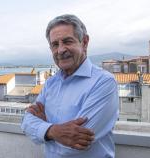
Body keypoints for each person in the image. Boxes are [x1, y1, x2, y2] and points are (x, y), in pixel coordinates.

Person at [21, 14, 119, 158]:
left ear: (84, 42)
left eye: (67, 41)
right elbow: (25, 123)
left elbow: (76, 145)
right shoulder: (50, 83)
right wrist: (53, 131)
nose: (61, 50)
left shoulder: (104, 82)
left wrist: (43, 129)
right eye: (55, 44)